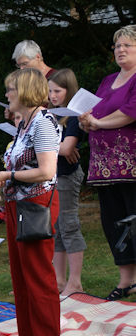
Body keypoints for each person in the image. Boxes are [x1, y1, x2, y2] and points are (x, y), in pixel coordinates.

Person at [0, 68, 61, 336]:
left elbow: (47, 170)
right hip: (17, 203)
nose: (7, 95)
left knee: (38, 274)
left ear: (25, 92)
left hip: (37, 203)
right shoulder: (25, 123)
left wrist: (10, 174)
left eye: (10, 90)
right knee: (20, 274)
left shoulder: (43, 123)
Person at [79, 25, 136, 301]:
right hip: (103, 168)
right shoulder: (107, 80)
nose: (121, 50)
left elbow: (129, 113)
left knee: (133, 220)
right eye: (117, 46)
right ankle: (126, 281)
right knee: (113, 222)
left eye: (127, 45)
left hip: (132, 167)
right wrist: (86, 120)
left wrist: (99, 122)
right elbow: (95, 110)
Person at [48, 69, 87, 297]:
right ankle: (59, 280)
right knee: (57, 228)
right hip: (53, 175)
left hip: (67, 176)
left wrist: (53, 147)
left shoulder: (73, 115)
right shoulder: (51, 114)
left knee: (69, 225)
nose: (53, 96)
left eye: (57, 91)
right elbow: (59, 148)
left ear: (69, 90)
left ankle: (76, 282)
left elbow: (67, 148)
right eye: (50, 91)